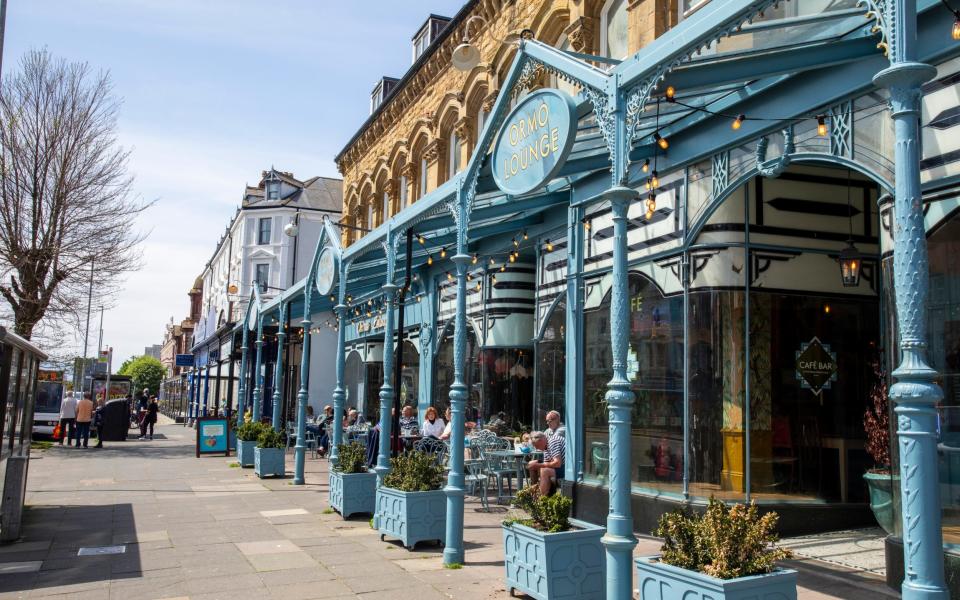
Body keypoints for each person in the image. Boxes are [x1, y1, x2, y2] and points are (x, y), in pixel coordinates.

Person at [527, 430, 565, 495]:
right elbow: (547, 463)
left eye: (536, 445)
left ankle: (542, 499)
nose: (536, 448)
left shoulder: (553, 441)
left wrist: (538, 465)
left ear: (541, 441)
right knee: (531, 463)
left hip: (566, 468)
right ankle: (534, 493)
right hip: (560, 466)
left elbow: (558, 463)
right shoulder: (546, 446)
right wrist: (537, 465)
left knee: (544, 471)